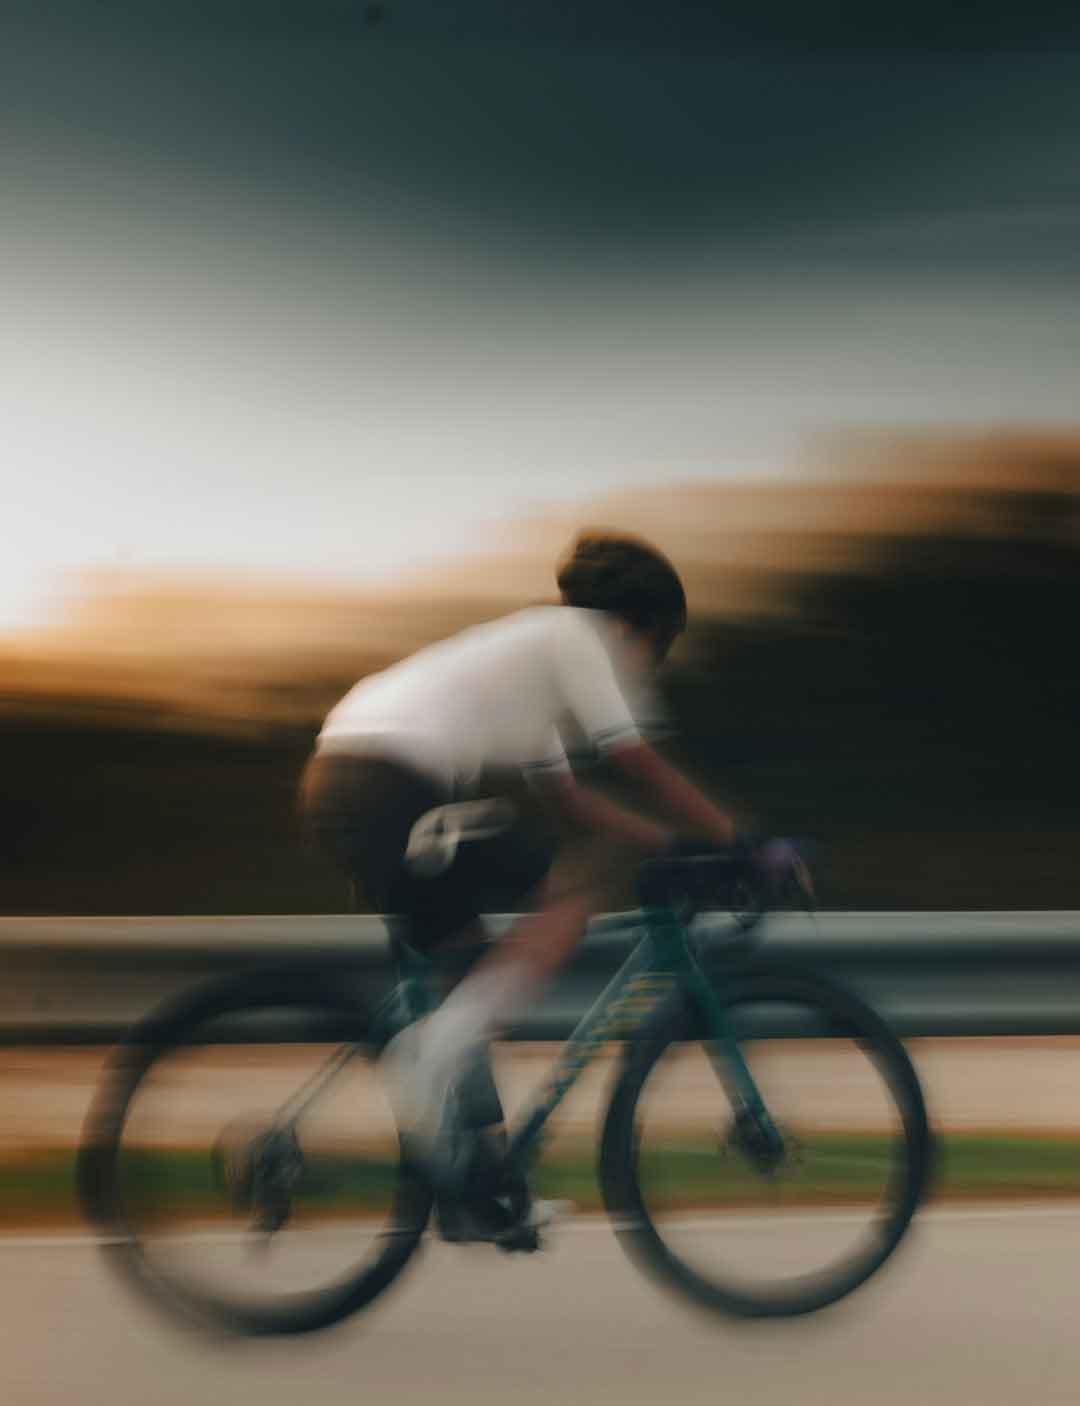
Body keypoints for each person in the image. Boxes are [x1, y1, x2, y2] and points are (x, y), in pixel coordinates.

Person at [300, 529, 737, 1243]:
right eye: (658, 647)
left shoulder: (533, 660)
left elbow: (571, 801)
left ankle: (483, 1188)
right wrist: (734, 837)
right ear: (636, 625)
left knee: (473, 977)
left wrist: (674, 844)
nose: (648, 667)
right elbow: (634, 757)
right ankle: (425, 1060)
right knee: (572, 893)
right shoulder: (579, 637)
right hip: (385, 782)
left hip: (352, 782)